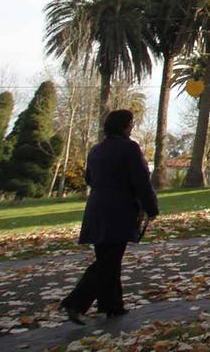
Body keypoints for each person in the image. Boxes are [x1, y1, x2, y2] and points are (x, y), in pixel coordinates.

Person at [59, 109, 158, 323]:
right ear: (124, 126)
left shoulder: (96, 150)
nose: (132, 126)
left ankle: (112, 305)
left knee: (106, 257)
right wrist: (151, 208)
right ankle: (75, 302)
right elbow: (141, 180)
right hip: (119, 211)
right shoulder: (130, 148)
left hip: (96, 210)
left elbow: (90, 179)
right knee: (108, 261)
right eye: (131, 123)